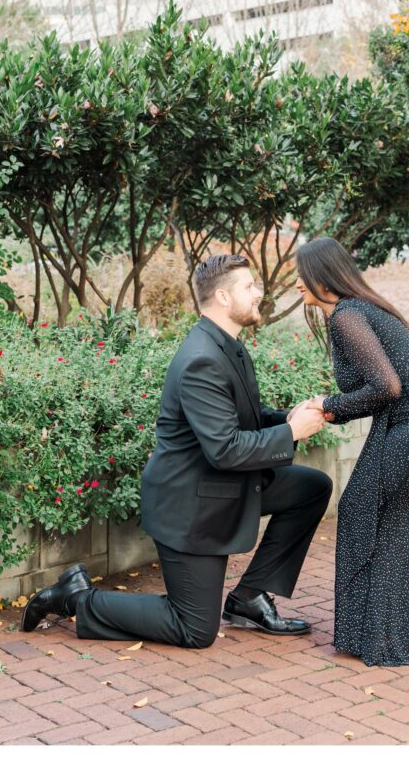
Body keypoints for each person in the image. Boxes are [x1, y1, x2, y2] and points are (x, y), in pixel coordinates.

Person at [18, 254, 334, 647]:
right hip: (192, 505)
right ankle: (76, 598)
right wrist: (289, 433)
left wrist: (287, 418)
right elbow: (226, 449)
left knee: (311, 487)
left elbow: (236, 423)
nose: (259, 293)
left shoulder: (227, 345)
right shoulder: (202, 359)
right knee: (194, 629)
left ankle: (250, 597)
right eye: (249, 287)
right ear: (222, 296)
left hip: (221, 485)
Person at [294, 237, 409, 666]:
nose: (296, 283)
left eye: (301, 274)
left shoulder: (348, 315)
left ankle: (385, 639)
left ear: (323, 275)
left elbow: (387, 387)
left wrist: (328, 407)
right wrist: (333, 407)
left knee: (368, 510)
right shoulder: (357, 310)